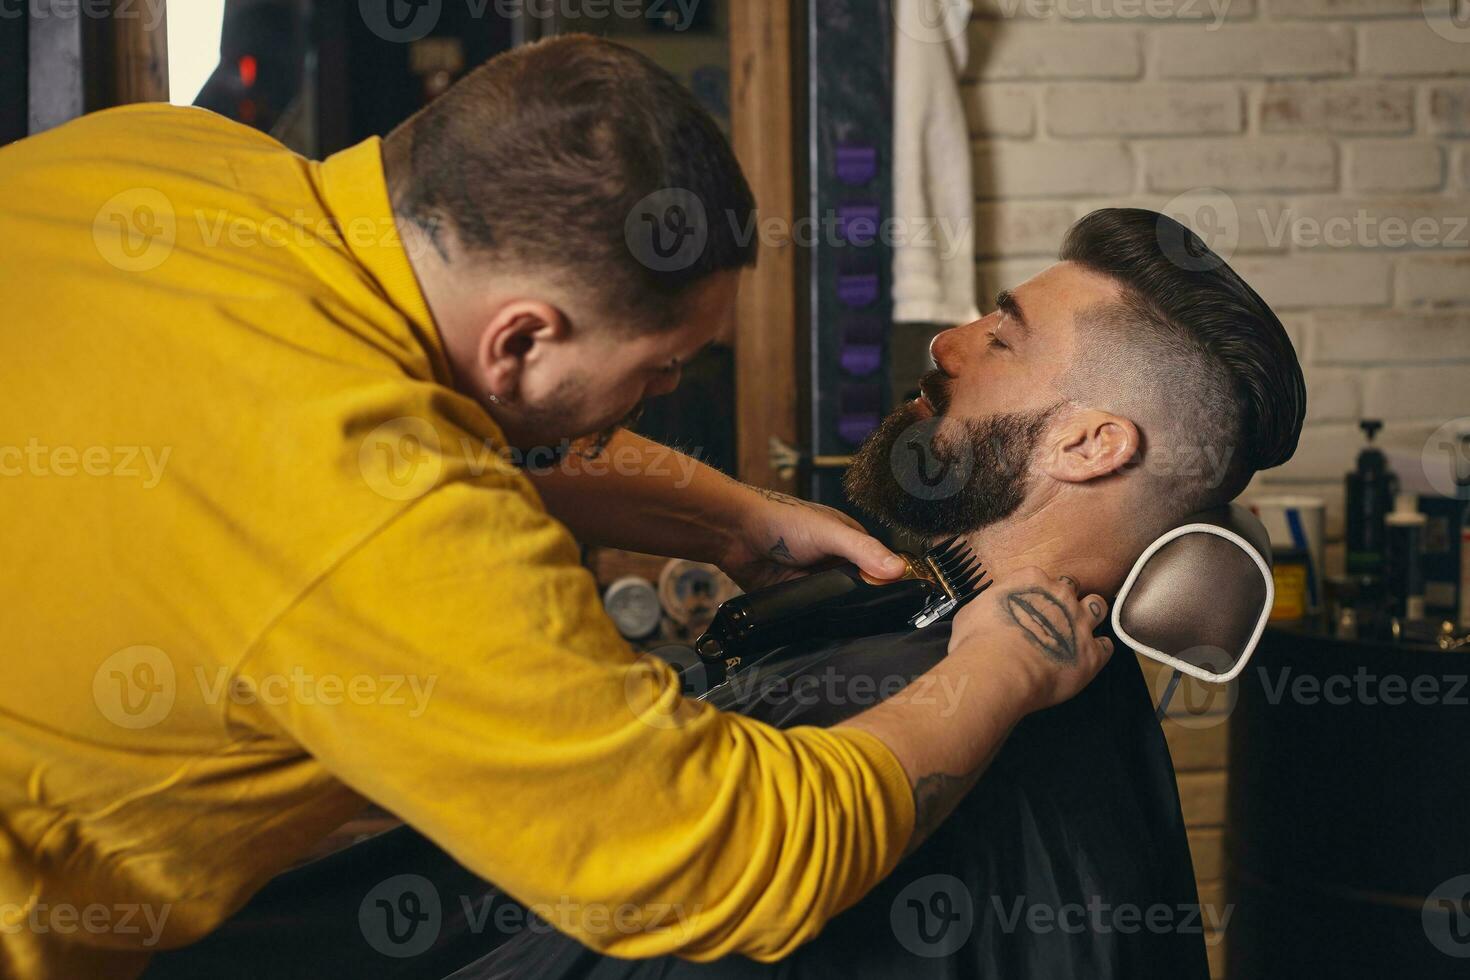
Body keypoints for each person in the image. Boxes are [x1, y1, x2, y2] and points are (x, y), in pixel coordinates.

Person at [0, 35, 1113, 978]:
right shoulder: (385, 526)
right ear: (523, 336)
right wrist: (996, 671)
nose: (666, 396)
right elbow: (735, 855)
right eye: (662, 366)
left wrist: (732, 518)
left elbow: (377, 424)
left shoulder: (164, 160)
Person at [177, 206, 1300, 979]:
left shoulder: (981, 729)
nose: (949, 341)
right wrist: (734, 520)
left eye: (1000, 336)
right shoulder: (917, 633)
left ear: (1095, 442)